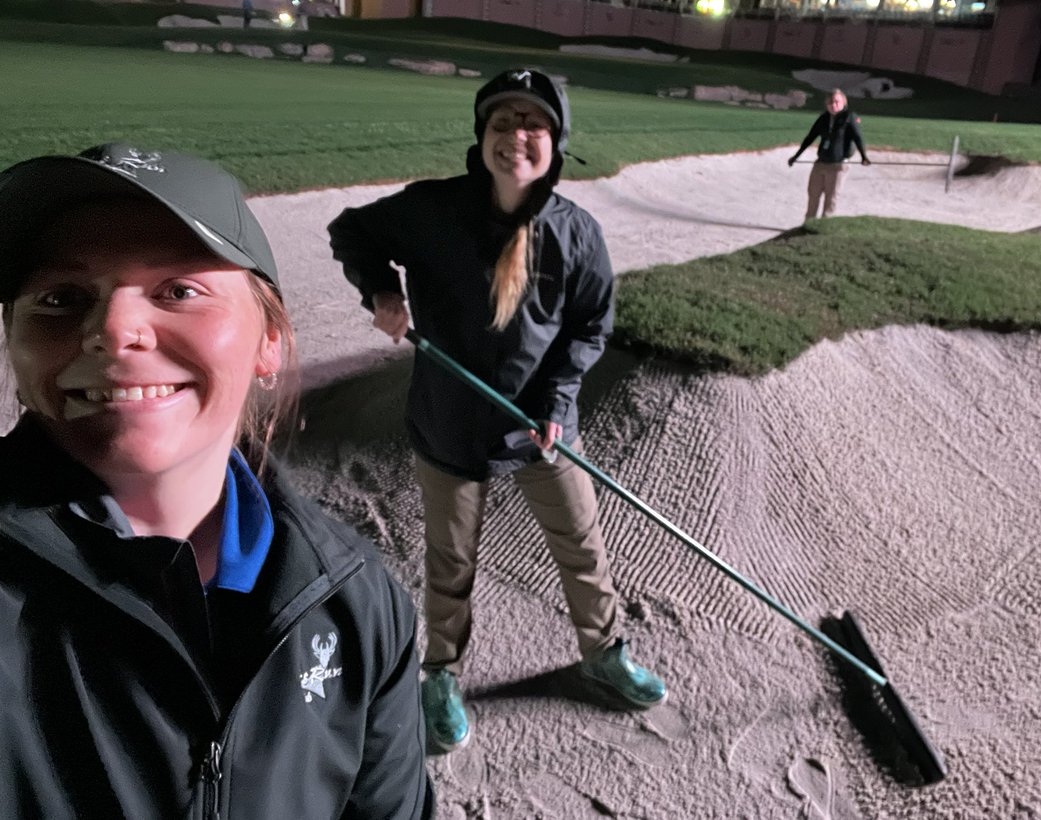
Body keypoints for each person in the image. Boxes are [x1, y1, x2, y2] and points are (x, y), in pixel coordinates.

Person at [0, 143, 433, 818]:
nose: (112, 330)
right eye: (60, 298)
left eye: (178, 291)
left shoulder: (356, 599)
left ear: (269, 340)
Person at [328, 68, 668, 753]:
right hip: (451, 418)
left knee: (581, 544)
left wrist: (558, 400)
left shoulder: (577, 233)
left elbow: (591, 326)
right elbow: (352, 232)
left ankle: (603, 653)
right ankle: (440, 677)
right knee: (451, 560)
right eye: (503, 122)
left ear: (556, 143)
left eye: (533, 124)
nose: (517, 135)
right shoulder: (430, 209)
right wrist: (381, 294)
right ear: (483, 137)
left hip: (543, 425)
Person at [787, 88, 872, 221]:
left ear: (844, 102)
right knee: (813, 194)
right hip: (821, 163)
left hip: (838, 165)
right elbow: (810, 138)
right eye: (830, 102)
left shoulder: (849, 117)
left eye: (837, 102)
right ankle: (808, 223)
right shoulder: (823, 118)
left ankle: (823, 226)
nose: (833, 105)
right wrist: (796, 156)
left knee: (831, 198)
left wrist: (864, 157)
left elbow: (857, 137)